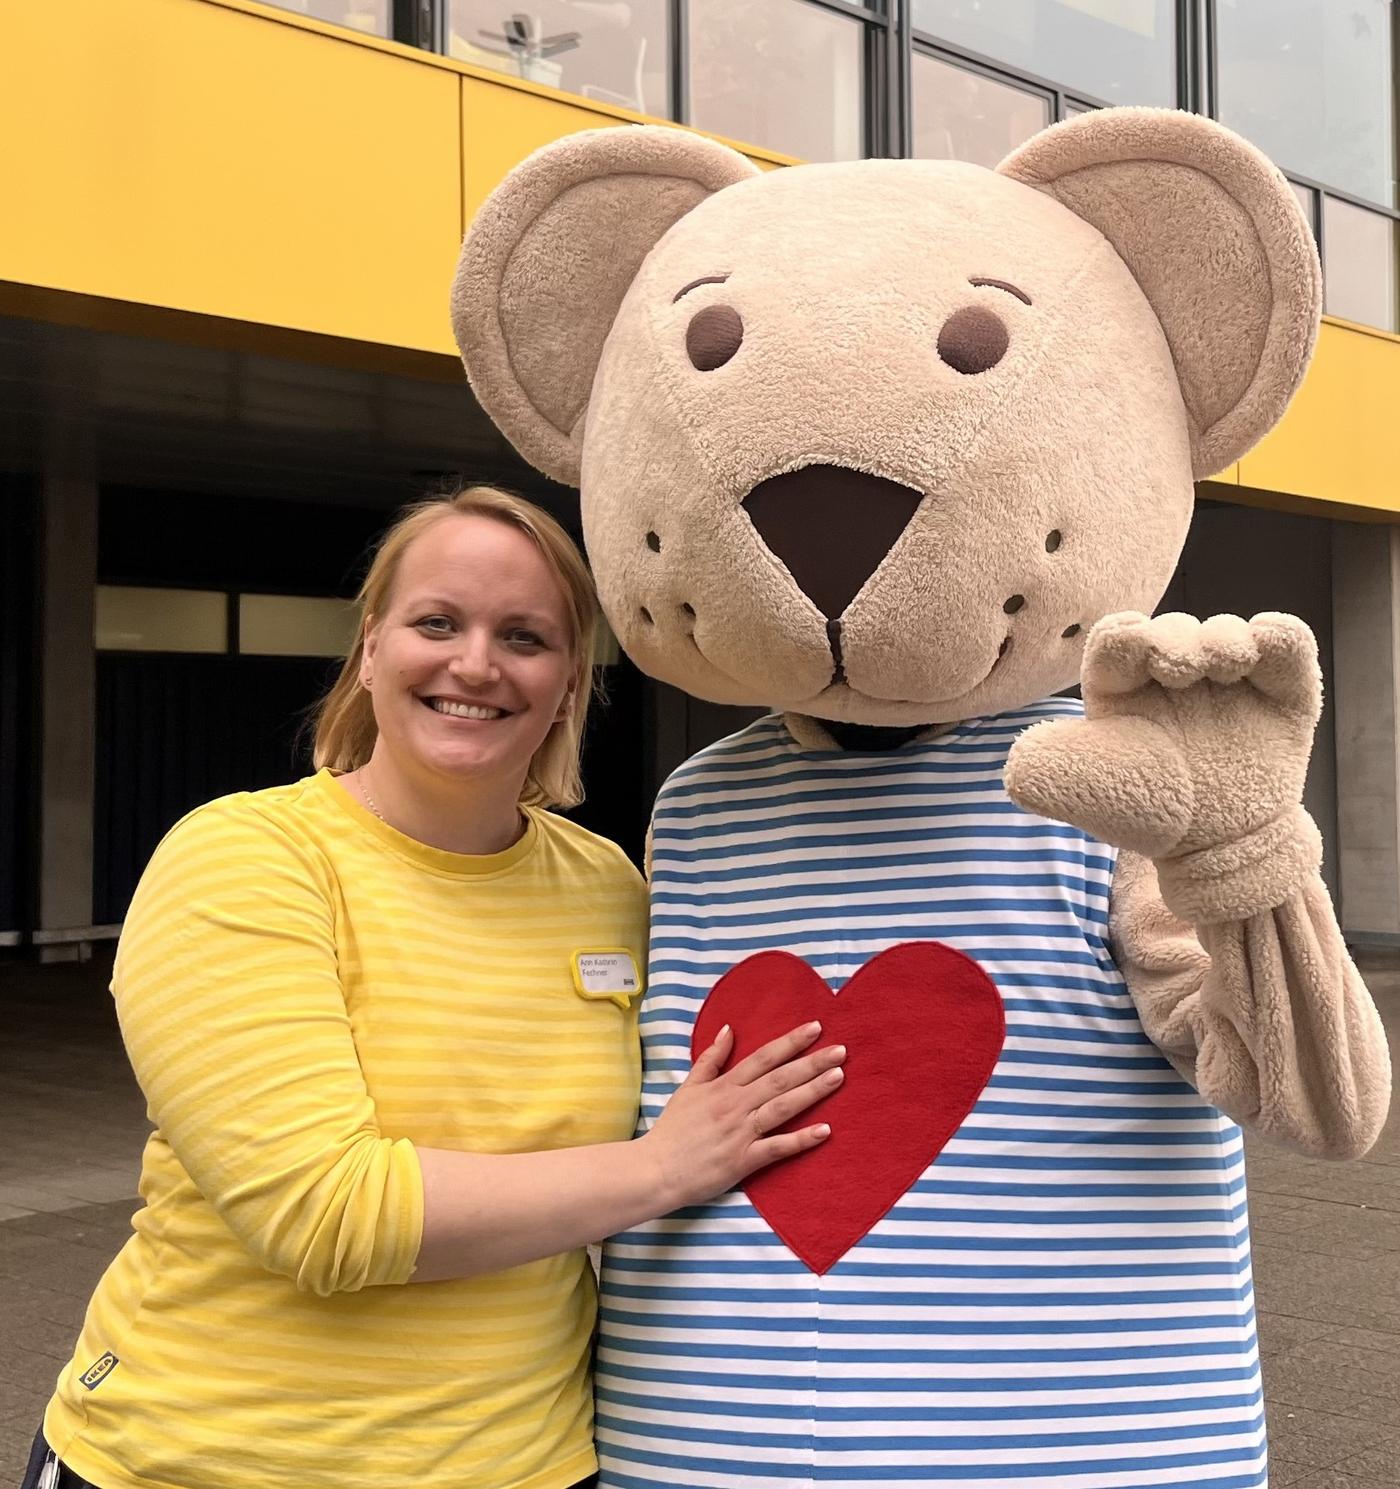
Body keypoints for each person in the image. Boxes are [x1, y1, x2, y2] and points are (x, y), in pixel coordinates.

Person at [26, 486, 843, 1489]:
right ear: (371, 650)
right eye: (437, 622)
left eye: (524, 636)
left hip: (525, 1464)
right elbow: (323, 1212)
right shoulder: (245, 859)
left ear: (569, 684)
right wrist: (661, 1167)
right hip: (206, 1460)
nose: (474, 663)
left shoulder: (607, 888)